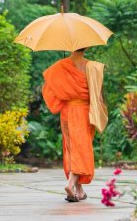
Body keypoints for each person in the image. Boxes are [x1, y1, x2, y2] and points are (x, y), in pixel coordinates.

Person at [42, 47, 108, 202]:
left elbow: (49, 88)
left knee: (72, 147)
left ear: (70, 47)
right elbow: (98, 93)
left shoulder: (61, 65)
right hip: (84, 111)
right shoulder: (93, 66)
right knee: (82, 147)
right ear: (87, 47)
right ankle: (71, 184)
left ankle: (79, 190)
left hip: (66, 111)